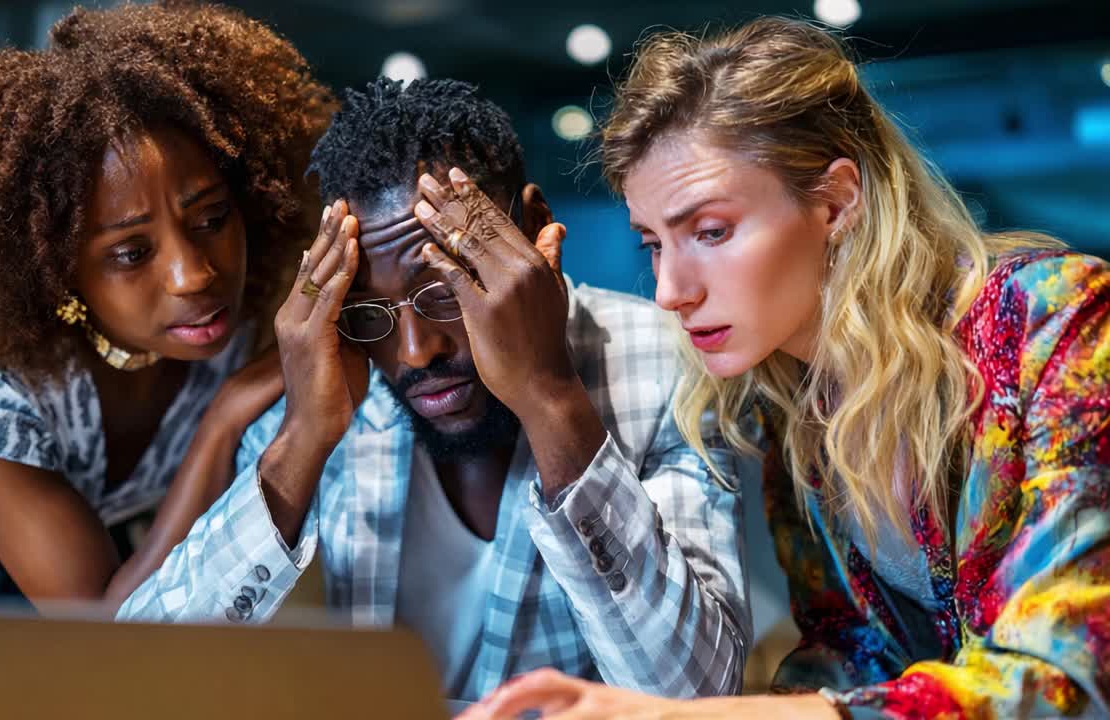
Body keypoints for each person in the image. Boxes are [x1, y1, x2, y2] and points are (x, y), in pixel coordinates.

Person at [458, 17, 1110, 720]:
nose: (672, 290)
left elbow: (1065, 681)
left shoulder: (1055, 321)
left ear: (836, 202)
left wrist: (675, 717)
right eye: (653, 243)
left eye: (710, 232)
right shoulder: (790, 400)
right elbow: (845, 654)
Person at [118, 78, 753, 703]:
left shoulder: (668, 366)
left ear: (534, 229)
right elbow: (133, 677)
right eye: (370, 311)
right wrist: (302, 440)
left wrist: (548, 396)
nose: (417, 351)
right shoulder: (333, 386)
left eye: (446, 290)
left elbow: (694, 697)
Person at [0, 1, 332, 612]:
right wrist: (222, 421)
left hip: (108, 557)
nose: (194, 274)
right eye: (131, 252)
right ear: (54, 267)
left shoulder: (242, 315)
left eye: (211, 218)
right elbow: (97, 620)